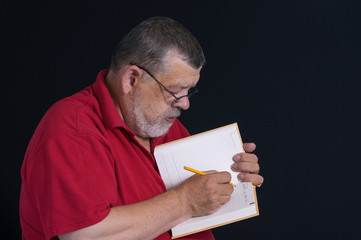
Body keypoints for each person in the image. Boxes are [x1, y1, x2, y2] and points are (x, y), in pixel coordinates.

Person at [19, 16, 264, 240]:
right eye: (174, 92)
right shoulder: (72, 129)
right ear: (131, 80)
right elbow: (86, 236)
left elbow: (199, 201)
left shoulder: (162, 123)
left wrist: (231, 173)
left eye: (189, 91)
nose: (185, 104)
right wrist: (184, 202)